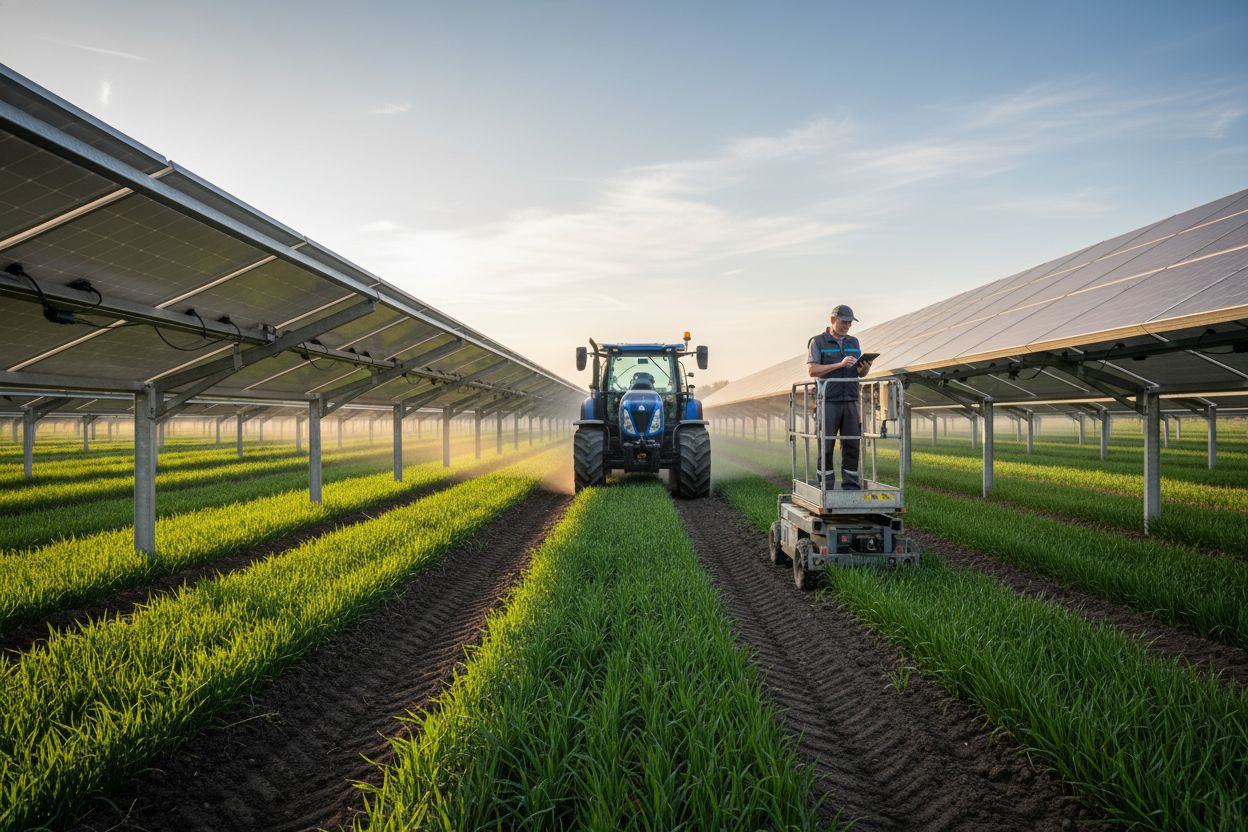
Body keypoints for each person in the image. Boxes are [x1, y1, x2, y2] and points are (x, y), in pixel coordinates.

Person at [806, 305, 873, 488]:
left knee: (852, 444)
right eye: (844, 322)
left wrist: (865, 368)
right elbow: (812, 370)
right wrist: (839, 364)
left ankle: (850, 486)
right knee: (826, 445)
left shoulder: (854, 342)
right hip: (828, 401)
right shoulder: (818, 342)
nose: (847, 326)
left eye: (850, 323)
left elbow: (861, 374)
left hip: (851, 399)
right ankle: (826, 486)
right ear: (833, 320)